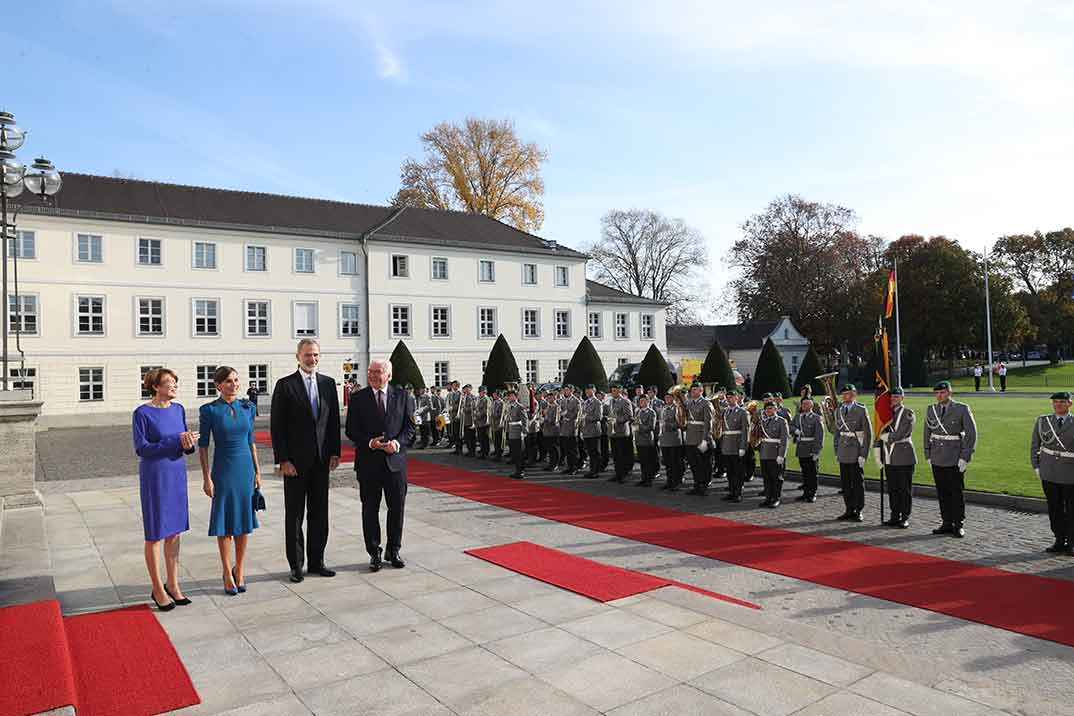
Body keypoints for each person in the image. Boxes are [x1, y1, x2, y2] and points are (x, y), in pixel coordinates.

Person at [270, 339, 342, 583]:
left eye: (316, 355)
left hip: (322, 461)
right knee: (295, 514)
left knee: (320, 512)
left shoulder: (328, 384)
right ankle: (296, 565)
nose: (312, 359)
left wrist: (335, 452)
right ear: (298, 356)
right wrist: (283, 460)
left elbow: (332, 423)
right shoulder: (285, 385)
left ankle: (317, 561)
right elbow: (277, 427)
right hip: (295, 464)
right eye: (308, 355)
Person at [133, 368, 198, 611]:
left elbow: (183, 444)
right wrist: (174, 441)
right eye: (169, 383)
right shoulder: (142, 414)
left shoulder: (178, 409)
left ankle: (173, 584)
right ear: (155, 386)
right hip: (155, 475)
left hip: (176, 474)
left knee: (175, 531)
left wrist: (188, 443)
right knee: (155, 533)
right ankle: (158, 589)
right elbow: (142, 448)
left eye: (175, 383)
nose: (174, 387)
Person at [345, 359, 415, 571]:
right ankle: (374, 552)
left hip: (395, 463)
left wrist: (397, 443)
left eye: (378, 372)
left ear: (389, 375)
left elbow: (410, 429)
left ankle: (393, 550)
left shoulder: (403, 397)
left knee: (397, 509)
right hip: (368, 464)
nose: (374, 375)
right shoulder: (358, 398)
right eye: (370, 372)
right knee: (370, 510)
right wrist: (369, 442)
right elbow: (350, 430)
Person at [199, 367, 260, 595]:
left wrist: (257, 471)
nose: (233, 384)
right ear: (218, 385)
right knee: (225, 523)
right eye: (227, 381)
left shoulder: (248, 407)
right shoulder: (210, 410)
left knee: (244, 521)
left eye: (235, 380)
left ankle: (240, 570)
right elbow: (203, 446)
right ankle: (226, 571)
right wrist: (206, 478)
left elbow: (251, 440)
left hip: (245, 469)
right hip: (223, 470)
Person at [924, 381, 977, 538]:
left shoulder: (961, 409)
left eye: (942, 393)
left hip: (954, 456)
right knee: (942, 491)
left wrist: (965, 457)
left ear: (949, 393)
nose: (939, 396)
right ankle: (946, 522)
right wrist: (927, 453)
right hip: (937, 454)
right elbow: (927, 432)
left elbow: (971, 434)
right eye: (937, 393)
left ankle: (958, 523)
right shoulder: (931, 409)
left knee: (956, 491)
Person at [1031, 391, 1074, 555]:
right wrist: (1036, 466)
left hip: (1070, 472)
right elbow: (1035, 445)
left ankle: (1071, 541)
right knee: (1054, 508)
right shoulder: (1043, 421)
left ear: (1070, 404)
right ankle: (1059, 539)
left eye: (1062, 402)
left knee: (1071, 509)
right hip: (1048, 471)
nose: (1058, 405)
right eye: (1056, 402)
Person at [877, 387, 915, 528]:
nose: (894, 399)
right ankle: (894, 515)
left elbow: (902, 434)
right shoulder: (886, 414)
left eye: (897, 397)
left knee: (904, 489)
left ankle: (905, 516)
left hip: (904, 455)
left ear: (902, 398)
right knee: (892, 488)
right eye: (892, 397)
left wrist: (885, 436)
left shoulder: (907, 413)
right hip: (889, 456)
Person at [833, 384, 871, 522]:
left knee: (857, 483)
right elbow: (837, 432)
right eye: (843, 394)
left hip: (856, 449)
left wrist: (863, 454)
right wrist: (836, 450)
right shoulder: (839, 410)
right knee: (846, 483)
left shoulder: (861, 409)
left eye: (848, 393)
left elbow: (868, 434)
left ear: (854, 394)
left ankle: (858, 510)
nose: (845, 396)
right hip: (843, 450)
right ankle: (849, 509)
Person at [757, 400, 789, 508]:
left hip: (775, 453)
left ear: (775, 409)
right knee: (766, 477)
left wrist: (781, 455)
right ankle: (768, 497)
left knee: (776, 478)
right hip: (764, 453)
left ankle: (776, 498)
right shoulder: (763, 421)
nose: (768, 411)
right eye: (766, 409)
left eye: (771, 408)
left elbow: (784, 440)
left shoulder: (781, 421)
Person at [685, 382, 715, 496]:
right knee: (693, 463)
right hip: (690, 438)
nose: (693, 391)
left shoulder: (706, 403)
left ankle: (705, 485)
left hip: (701, 437)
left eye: (696, 389)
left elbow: (709, 423)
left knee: (704, 464)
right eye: (692, 389)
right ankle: (697, 484)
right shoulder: (689, 403)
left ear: (701, 391)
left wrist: (705, 439)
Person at [791, 395, 823, 502]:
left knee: (812, 473)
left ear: (812, 405)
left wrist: (816, 451)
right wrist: (795, 430)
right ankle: (806, 493)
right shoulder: (798, 417)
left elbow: (819, 436)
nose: (805, 405)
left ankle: (812, 493)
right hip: (801, 448)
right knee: (804, 472)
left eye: (808, 403)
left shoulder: (816, 418)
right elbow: (790, 426)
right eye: (803, 404)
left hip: (811, 448)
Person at [720, 391, 750, 502]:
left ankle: (738, 493)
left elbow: (745, 431)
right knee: (730, 471)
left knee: (738, 471)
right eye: (727, 398)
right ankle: (732, 491)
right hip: (727, 445)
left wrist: (743, 447)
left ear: (737, 398)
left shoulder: (743, 412)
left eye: (731, 397)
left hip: (737, 445)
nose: (729, 399)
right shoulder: (726, 412)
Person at [608, 383, 636, 483]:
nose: (612, 392)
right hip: (613, 431)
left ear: (619, 391)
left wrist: (617, 420)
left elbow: (629, 416)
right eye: (612, 391)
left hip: (622, 431)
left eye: (614, 391)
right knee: (615, 454)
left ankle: (623, 475)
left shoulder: (625, 401)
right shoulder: (611, 401)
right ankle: (617, 473)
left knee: (622, 454)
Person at [658, 391, 685, 491]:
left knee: (675, 462)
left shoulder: (677, 408)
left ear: (673, 398)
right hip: (665, 438)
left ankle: (676, 481)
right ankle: (669, 481)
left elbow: (680, 423)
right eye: (666, 398)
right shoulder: (663, 408)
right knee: (668, 462)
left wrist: (668, 425)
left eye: (669, 398)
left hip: (674, 438)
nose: (667, 400)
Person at [503, 388, 528, 479]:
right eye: (509, 396)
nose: (510, 397)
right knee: (513, 452)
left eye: (512, 395)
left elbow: (525, 419)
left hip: (517, 431)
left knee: (519, 453)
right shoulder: (509, 406)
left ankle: (521, 471)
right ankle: (517, 470)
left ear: (516, 397)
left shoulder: (519, 406)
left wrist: (524, 431)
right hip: (511, 430)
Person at [557, 385, 582, 475]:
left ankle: (574, 467)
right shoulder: (563, 400)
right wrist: (561, 415)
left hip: (571, 427)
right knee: (566, 449)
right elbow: (561, 411)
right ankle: (569, 466)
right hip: (564, 428)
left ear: (572, 390)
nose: (565, 392)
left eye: (567, 390)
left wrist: (567, 416)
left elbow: (577, 414)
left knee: (573, 450)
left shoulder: (576, 401)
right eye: (565, 390)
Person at [635, 395, 658, 486]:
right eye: (640, 401)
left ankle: (649, 479)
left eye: (644, 400)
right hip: (639, 439)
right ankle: (643, 478)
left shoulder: (651, 412)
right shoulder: (638, 411)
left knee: (648, 460)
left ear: (648, 401)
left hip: (647, 439)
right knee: (642, 460)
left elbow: (650, 427)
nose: (642, 402)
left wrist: (639, 426)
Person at [581, 385, 603, 478]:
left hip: (594, 430)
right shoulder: (586, 402)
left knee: (595, 452)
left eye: (589, 390)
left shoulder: (597, 402)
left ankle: (596, 471)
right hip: (586, 430)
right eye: (586, 390)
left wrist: (586, 418)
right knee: (590, 452)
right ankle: (592, 470)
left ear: (594, 391)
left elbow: (598, 417)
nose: (587, 392)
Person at [474, 386, 492, 459]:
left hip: (484, 421)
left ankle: (485, 452)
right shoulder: (479, 399)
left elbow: (486, 410)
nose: (483, 393)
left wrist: (478, 414)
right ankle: (482, 450)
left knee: (484, 438)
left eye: (484, 392)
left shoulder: (486, 399)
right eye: (482, 392)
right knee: (480, 437)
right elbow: (476, 407)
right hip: (479, 421)